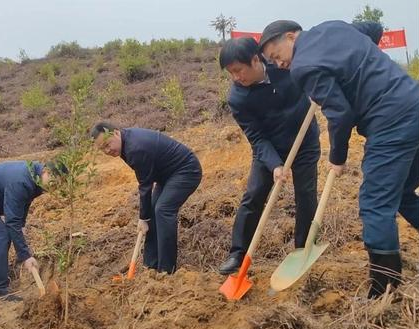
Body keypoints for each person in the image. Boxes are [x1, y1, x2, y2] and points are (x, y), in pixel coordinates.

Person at [260, 20, 419, 298]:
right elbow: (373, 28)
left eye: (277, 55)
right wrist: (355, 65)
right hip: (416, 103)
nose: (279, 64)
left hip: (391, 121)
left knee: (375, 204)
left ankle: (384, 289)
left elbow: (340, 114)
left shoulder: (303, 66)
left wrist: (338, 156)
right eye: (273, 62)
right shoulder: (335, 27)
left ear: (290, 36)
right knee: (404, 192)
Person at [216, 37, 320, 275]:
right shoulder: (237, 98)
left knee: (305, 194)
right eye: (230, 73)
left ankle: (303, 249)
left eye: (238, 71)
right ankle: (238, 253)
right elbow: (256, 136)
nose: (236, 77)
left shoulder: (284, 64)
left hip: (304, 140)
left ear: (255, 60)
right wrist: (274, 165)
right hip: (269, 146)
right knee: (254, 194)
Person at [91, 122, 202, 274]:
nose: (107, 150)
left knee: (163, 210)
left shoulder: (136, 148)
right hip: (166, 176)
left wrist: (143, 218)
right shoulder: (125, 142)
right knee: (152, 213)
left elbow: (145, 186)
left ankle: (166, 270)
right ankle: (150, 266)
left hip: (186, 170)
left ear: (116, 133)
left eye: (108, 144)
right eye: (102, 148)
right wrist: (146, 217)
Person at [0, 160, 63, 299]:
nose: (54, 187)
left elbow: (24, 201)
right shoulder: (21, 181)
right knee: (0, 236)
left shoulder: (35, 177)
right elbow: (12, 220)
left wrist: (22, 225)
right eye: (53, 182)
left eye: (59, 185)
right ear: (46, 171)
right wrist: (25, 256)